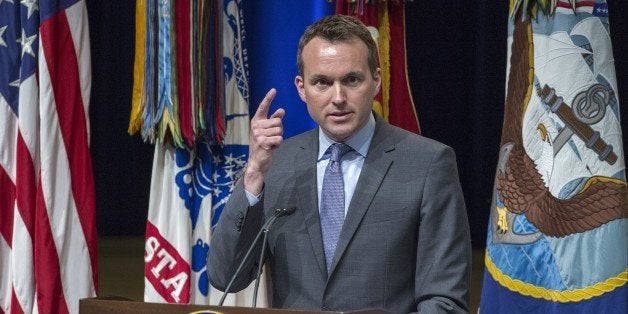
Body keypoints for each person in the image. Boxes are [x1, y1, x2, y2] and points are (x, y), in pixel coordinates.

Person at [208, 15, 471, 313]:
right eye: (322, 82)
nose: (338, 97)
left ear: (376, 80)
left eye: (351, 80)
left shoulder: (428, 164)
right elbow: (225, 276)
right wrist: (253, 175)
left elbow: (445, 300)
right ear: (301, 88)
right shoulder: (276, 165)